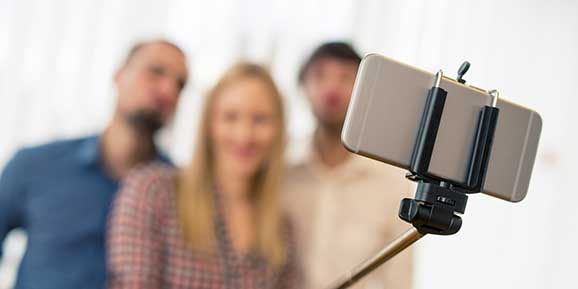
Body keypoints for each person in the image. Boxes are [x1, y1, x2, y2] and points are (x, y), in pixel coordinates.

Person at [0, 39, 188, 289]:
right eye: (156, 72)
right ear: (119, 74)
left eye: (180, 84)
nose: (168, 91)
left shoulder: (181, 194)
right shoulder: (35, 165)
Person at [107, 63, 301, 289]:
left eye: (260, 120)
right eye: (230, 117)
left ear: (278, 130)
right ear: (209, 126)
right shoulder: (153, 190)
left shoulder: (281, 229)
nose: (244, 135)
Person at [283, 42, 414, 289]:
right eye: (320, 75)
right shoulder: (281, 170)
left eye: (345, 77)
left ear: (364, 90)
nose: (332, 87)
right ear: (302, 87)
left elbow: (400, 278)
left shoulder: (393, 181)